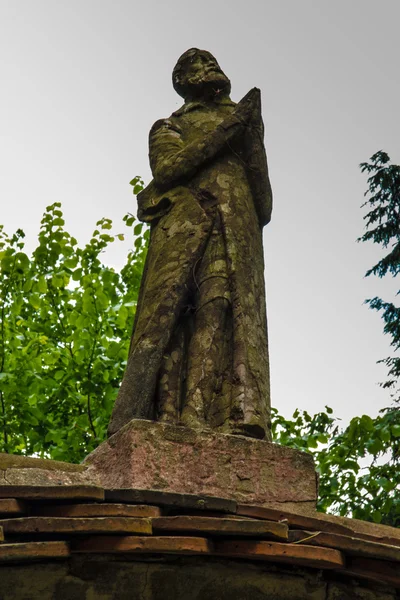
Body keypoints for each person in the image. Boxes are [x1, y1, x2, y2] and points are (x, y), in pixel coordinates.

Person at [108, 48, 273, 440]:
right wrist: (229, 130)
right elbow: (168, 170)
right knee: (175, 319)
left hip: (234, 234)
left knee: (219, 310)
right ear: (182, 80)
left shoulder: (240, 121)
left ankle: (213, 415)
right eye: (198, 63)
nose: (211, 65)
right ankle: (169, 415)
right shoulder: (169, 126)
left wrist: (251, 136)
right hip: (186, 232)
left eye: (212, 60)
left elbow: (263, 203)